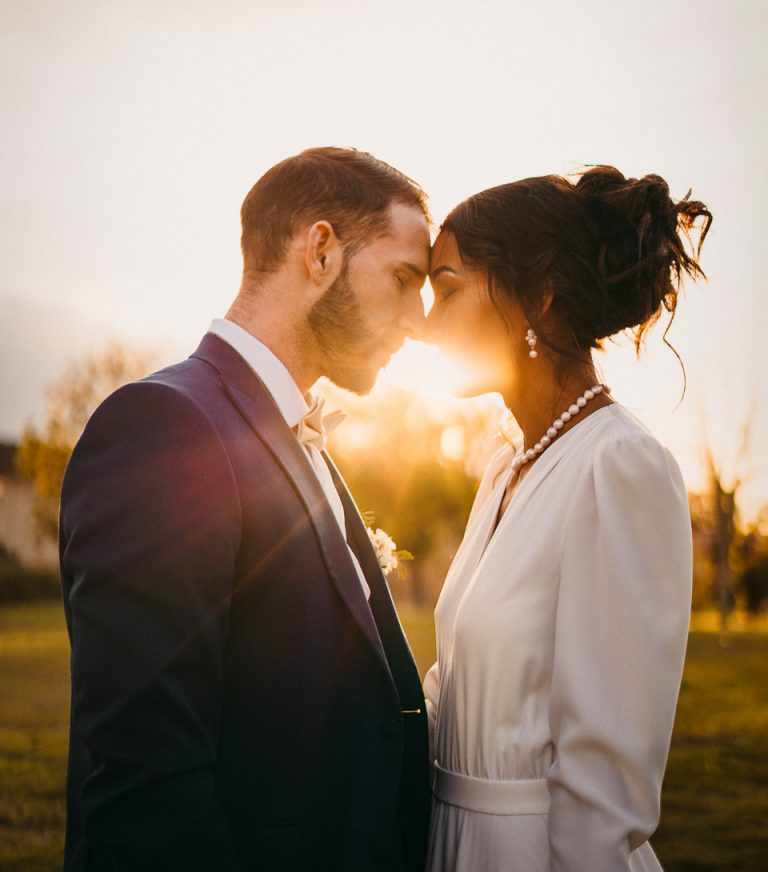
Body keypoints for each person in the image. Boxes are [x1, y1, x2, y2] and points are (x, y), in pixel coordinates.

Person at [59, 147, 432, 872]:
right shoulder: (165, 428)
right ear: (320, 251)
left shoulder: (296, 437)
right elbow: (147, 788)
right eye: (403, 279)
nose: (417, 320)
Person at [423, 166, 712, 871]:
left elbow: (603, 788)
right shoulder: (504, 467)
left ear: (538, 295)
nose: (426, 324)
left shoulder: (619, 466)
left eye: (449, 288)